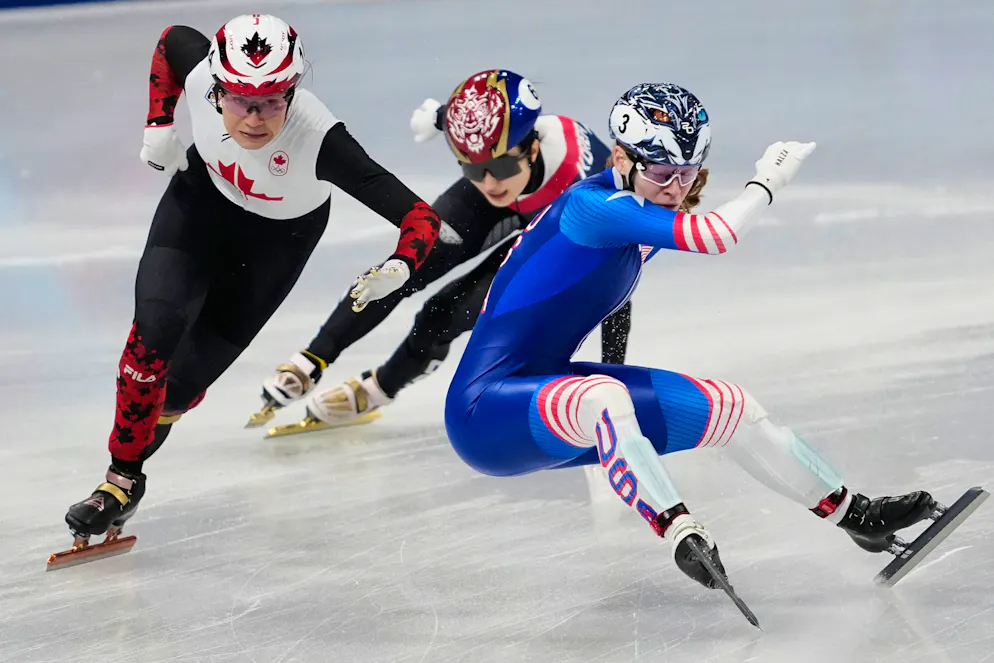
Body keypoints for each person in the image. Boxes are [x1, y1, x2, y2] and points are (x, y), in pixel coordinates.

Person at [442, 82, 941, 589]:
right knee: (603, 396)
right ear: (621, 156)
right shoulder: (594, 207)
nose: (675, 189)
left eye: (687, 175)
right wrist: (766, 182)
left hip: (548, 390)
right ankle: (680, 531)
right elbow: (717, 236)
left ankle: (858, 518)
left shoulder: (641, 205)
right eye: (662, 173)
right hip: (484, 412)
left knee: (733, 408)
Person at [54, 14, 442, 562]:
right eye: (239, 100)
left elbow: (419, 216)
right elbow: (169, 42)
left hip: (274, 247)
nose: (256, 118)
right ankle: (121, 480)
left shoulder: (320, 138)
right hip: (199, 207)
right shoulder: (197, 69)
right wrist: (159, 123)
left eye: (272, 101)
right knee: (154, 335)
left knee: (180, 390)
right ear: (214, 85)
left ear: (293, 92)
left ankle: (138, 456)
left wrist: (402, 266)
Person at [249, 70, 652, 436]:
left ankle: (378, 388)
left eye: (499, 168)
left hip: (553, 226)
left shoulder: (590, 192)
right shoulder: (484, 140)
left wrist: (610, 375)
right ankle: (310, 361)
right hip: (514, 204)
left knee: (445, 314)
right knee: (403, 266)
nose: (490, 182)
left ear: (531, 150)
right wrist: (441, 117)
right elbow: (467, 118)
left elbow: (617, 289)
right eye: (472, 169)